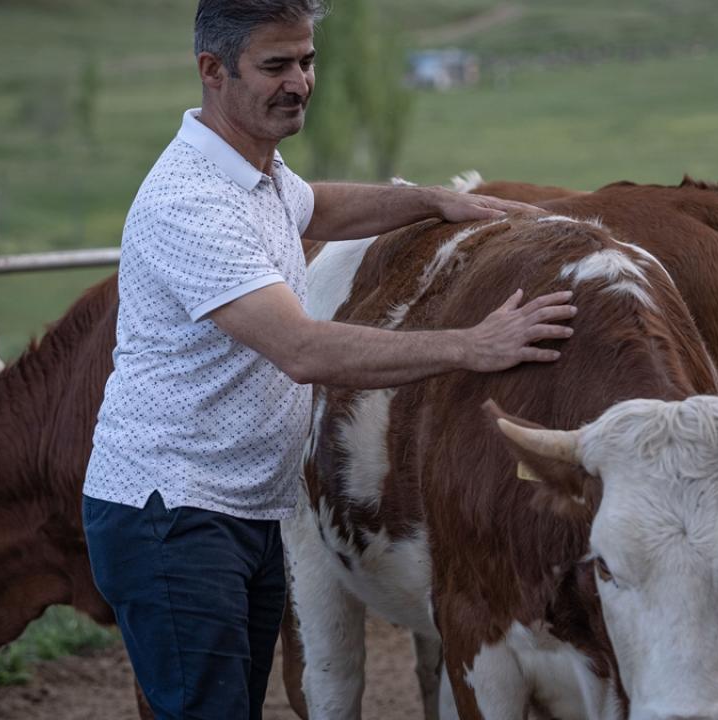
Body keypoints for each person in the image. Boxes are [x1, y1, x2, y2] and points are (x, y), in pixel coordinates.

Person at [81, 1, 577, 717]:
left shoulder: (254, 170)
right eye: (276, 66)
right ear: (211, 71)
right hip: (173, 514)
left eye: (307, 62)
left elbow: (318, 207)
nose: (300, 83)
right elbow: (303, 349)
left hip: (238, 503)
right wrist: (473, 345)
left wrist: (434, 203)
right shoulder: (190, 203)